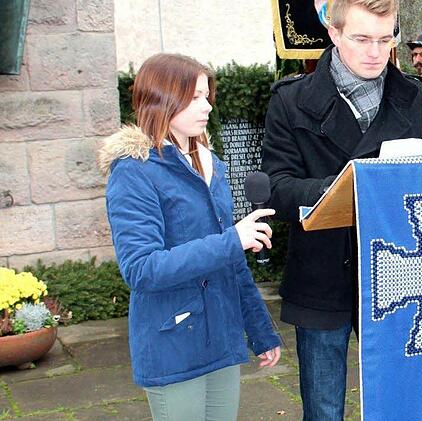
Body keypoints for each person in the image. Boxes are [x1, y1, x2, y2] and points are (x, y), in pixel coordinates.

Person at [261, 0, 422, 418]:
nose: (376, 52)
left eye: (385, 38)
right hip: (323, 272)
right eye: (361, 38)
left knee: (407, 402)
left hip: (403, 273)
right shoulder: (291, 101)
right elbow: (276, 188)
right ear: (334, 32)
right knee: (323, 408)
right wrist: (343, 189)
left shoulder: (412, 97)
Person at [101, 53, 282, 421]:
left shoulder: (208, 164)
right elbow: (142, 269)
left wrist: (261, 330)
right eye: (195, 96)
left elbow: (231, 260)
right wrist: (233, 239)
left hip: (221, 338)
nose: (207, 105)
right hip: (173, 343)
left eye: (206, 95)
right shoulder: (134, 171)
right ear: (162, 99)